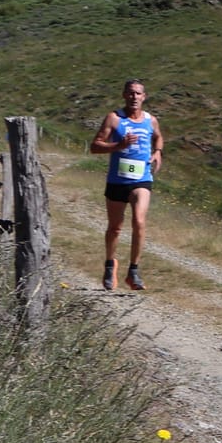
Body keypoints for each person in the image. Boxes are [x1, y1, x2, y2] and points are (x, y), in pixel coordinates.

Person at [89, 79, 163, 291]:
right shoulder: (114, 118)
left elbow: (158, 138)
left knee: (139, 221)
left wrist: (157, 152)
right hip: (117, 180)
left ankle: (134, 271)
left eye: (138, 94)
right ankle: (110, 265)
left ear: (144, 97)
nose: (134, 97)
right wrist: (118, 145)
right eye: (130, 93)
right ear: (124, 95)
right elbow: (95, 146)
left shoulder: (151, 120)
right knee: (115, 227)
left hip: (142, 178)